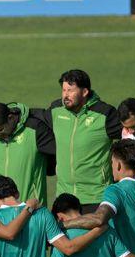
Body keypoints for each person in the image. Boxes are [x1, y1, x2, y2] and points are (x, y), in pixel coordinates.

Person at [49, 70, 122, 211]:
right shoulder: (56, 110)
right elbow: (31, 118)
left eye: (70, 90)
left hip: (96, 197)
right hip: (64, 198)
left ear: (84, 92)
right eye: (63, 90)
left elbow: (133, 128)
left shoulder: (105, 114)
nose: (65, 95)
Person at [0, 102, 55, 206]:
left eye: (0, 129)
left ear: (11, 118)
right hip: (2, 211)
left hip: (32, 209)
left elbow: (61, 154)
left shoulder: (34, 129)